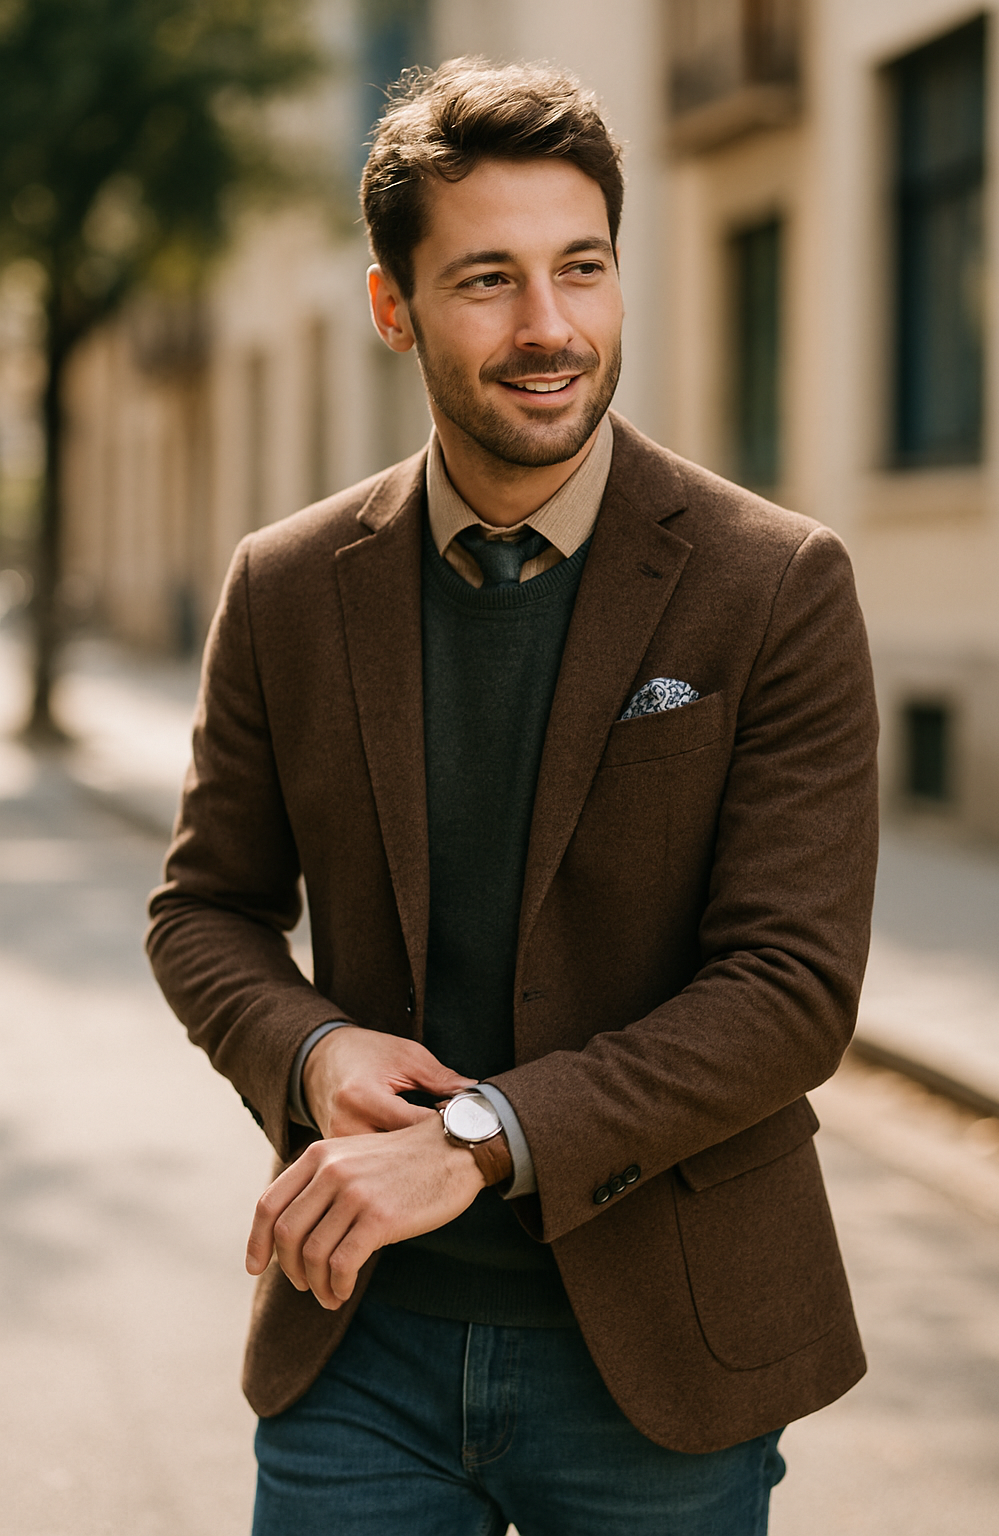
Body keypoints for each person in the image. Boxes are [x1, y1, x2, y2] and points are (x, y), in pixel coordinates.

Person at [147, 57, 878, 1536]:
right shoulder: (286, 588)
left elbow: (792, 986)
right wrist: (310, 1049)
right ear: (392, 309)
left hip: (659, 1364)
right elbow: (205, 910)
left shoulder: (774, 584)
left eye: (584, 269)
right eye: (487, 279)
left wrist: (481, 1138)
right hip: (361, 1347)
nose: (550, 328)